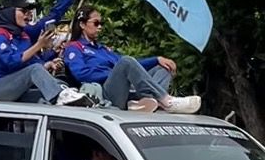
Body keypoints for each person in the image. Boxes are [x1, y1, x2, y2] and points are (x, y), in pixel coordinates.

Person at [63, 6, 200, 114]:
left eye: (101, 23)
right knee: (126, 62)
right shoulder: (74, 47)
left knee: (162, 68)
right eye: (96, 23)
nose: (100, 27)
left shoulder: (102, 49)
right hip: (106, 94)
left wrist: (156, 60)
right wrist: (113, 74)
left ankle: (145, 102)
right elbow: (81, 74)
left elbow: (133, 66)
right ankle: (166, 101)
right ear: (82, 24)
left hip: (126, 89)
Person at [0, 0, 92, 106]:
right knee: (38, 72)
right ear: (8, 12)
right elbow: (11, 62)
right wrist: (39, 45)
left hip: (18, 90)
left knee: (52, 91)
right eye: (24, 11)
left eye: (29, 12)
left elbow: (32, 62)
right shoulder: (0, 34)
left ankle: (80, 100)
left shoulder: (23, 35)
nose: (28, 15)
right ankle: (61, 95)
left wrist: (47, 64)